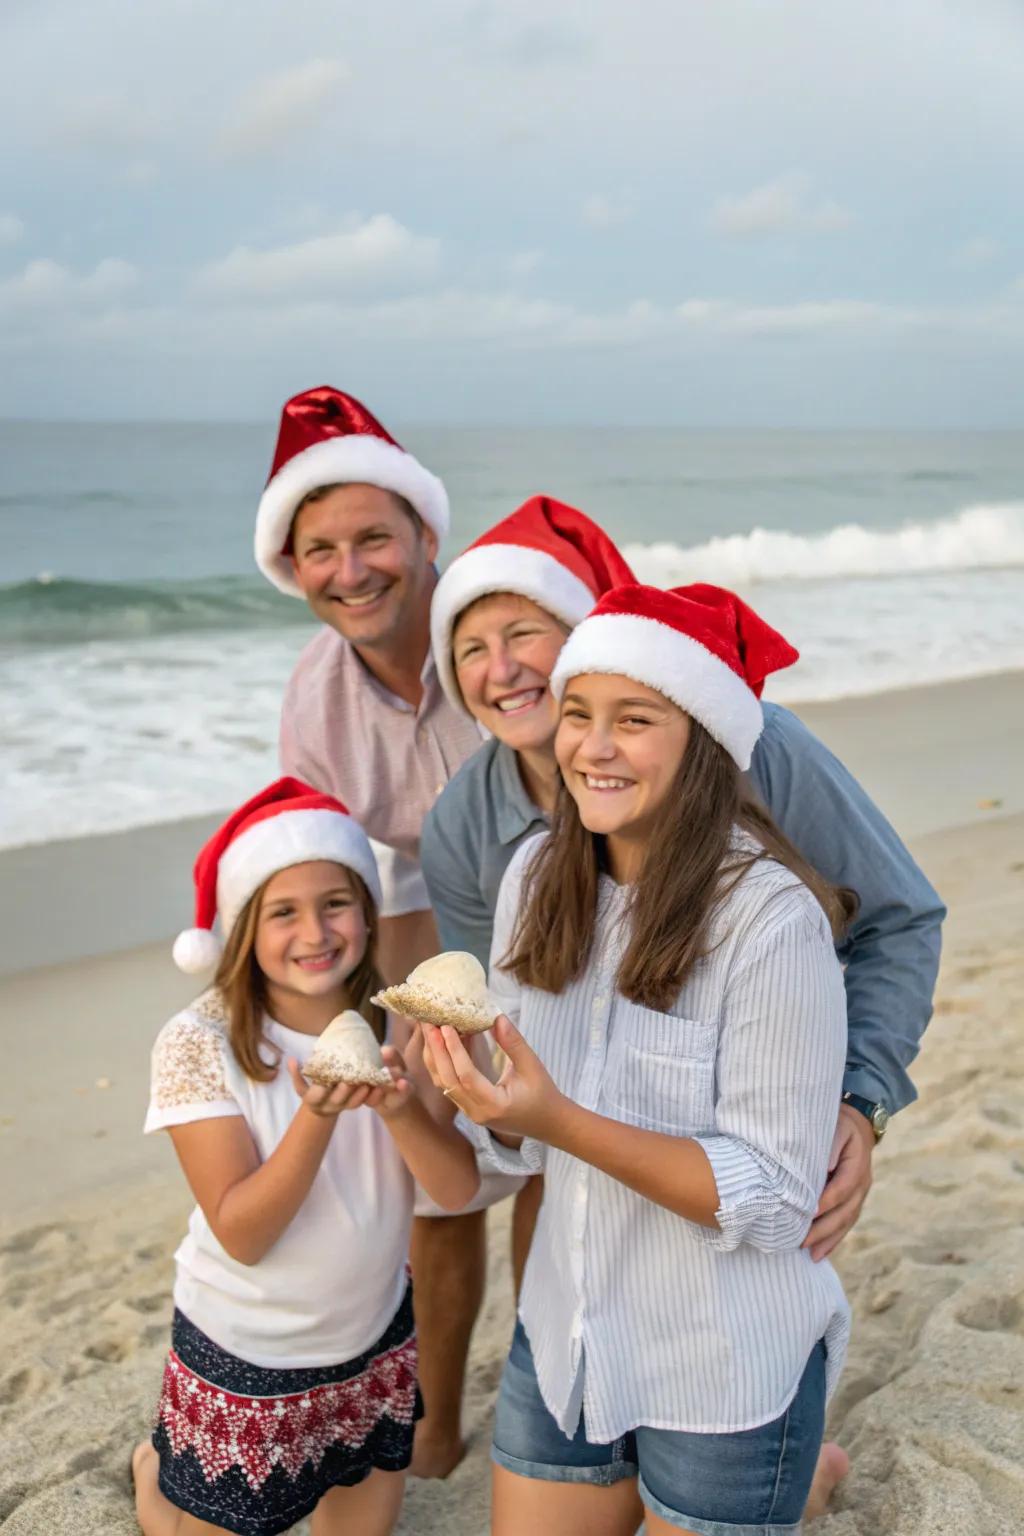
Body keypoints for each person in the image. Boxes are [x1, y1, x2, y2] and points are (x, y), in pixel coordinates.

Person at [423, 583, 854, 1536]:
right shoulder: (535, 877)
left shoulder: (770, 921)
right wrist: (442, 1104)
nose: (593, 747)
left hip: (726, 1366)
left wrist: (554, 1119)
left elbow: (778, 1198)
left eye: (634, 720)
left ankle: (795, 1474)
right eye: (578, 715)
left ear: (702, 741)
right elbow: (514, 1158)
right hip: (567, 1334)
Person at [422, 497, 945, 1266]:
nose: (500, 669)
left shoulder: (755, 752)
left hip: (737, 1171)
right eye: (469, 649)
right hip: (582, 1201)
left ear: (590, 645)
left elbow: (898, 920)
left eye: (524, 632)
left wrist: (861, 1100)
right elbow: (501, 1032)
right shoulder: (467, 829)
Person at [255, 386, 521, 1477]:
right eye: (320, 548)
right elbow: (332, 870)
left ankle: (554, 1395)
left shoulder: (494, 645)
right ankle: (438, 1426)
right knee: (433, 1177)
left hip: (558, 915)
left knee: (561, 1162)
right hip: (418, 942)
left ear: (425, 535)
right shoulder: (314, 694)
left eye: (373, 536)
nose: (350, 569)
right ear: (292, 565)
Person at [131, 777, 479, 1536]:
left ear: (367, 910)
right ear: (243, 929)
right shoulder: (200, 1043)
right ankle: (150, 1475)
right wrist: (316, 1116)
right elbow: (244, 1235)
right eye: (282, 912)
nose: (316, 933)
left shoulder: (400, 1025)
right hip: (247, 1352)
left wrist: (400, 1108)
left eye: (336, 903)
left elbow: (455, 1191)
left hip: (374, 1341)